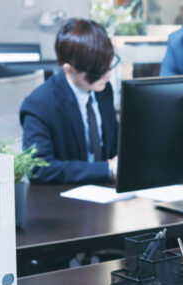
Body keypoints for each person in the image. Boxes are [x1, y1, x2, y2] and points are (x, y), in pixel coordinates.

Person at [20, 18, 119, 185]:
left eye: (108, 67)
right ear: (69, 70)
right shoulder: (39, 105)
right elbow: (39, 168)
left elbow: (114, 144)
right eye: (97, 72)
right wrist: (106, 169)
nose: (107, 76)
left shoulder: (103, 90)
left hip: (107, 193)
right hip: (64, 200)